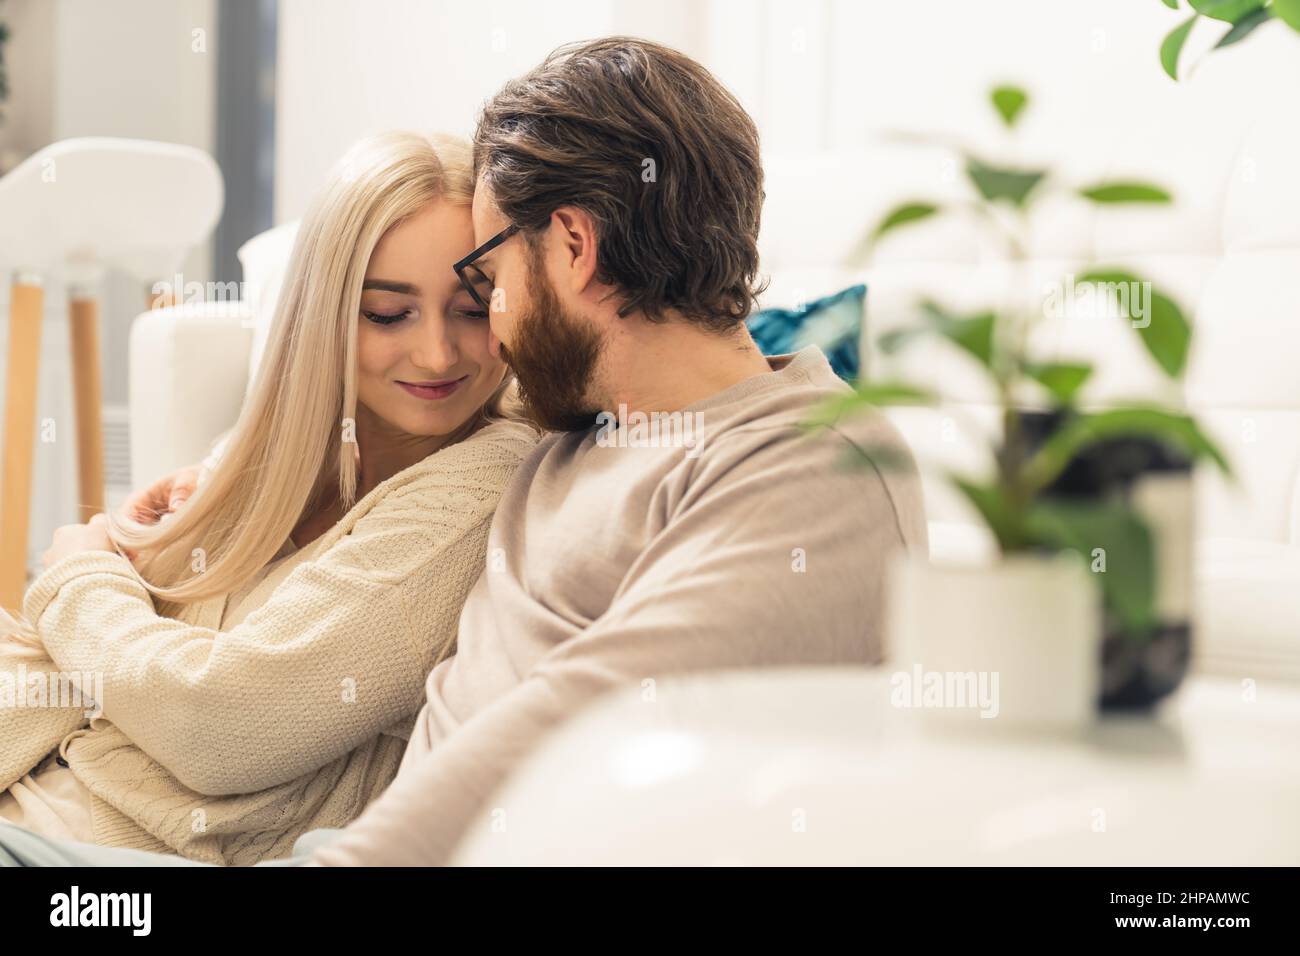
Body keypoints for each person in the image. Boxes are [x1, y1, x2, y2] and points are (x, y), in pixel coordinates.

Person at [0, 36, 925, 868]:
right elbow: (371, 397)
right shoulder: (585, 425)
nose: (474, 340)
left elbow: (581, 724)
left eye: (485, 285)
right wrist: (218, 483)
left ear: (570, 245)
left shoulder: (808, 467)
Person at [0, 131, 539, 864]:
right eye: (388, 313)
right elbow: (84, 668)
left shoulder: (483, 487)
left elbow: (215, 725)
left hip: (100, 851)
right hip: (38, 789)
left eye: (473, 310)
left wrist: (75, 576)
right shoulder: (290, 442)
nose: (438, 354)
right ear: (325, 313)